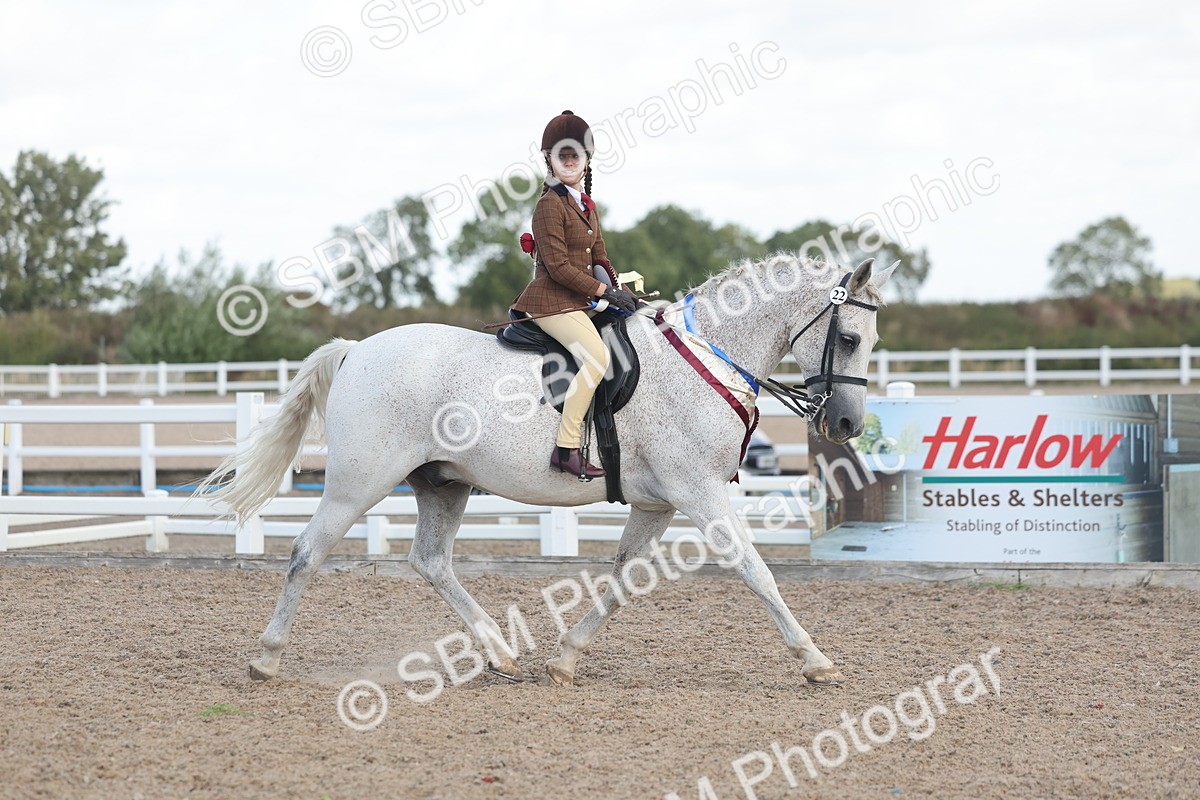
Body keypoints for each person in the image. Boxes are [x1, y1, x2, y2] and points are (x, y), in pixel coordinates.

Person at [511, 110, 639, 479]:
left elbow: (599, 256)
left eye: (575, 156)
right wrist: (603, 292)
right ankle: (566, 448)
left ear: (586, 161)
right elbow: (558, 268)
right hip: (550, 301)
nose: (569, 161)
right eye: (561, 156)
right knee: (597, 357)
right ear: (549, 161)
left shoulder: (586, 206)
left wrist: (620, 291)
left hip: (580, 299)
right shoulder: (548, 205)